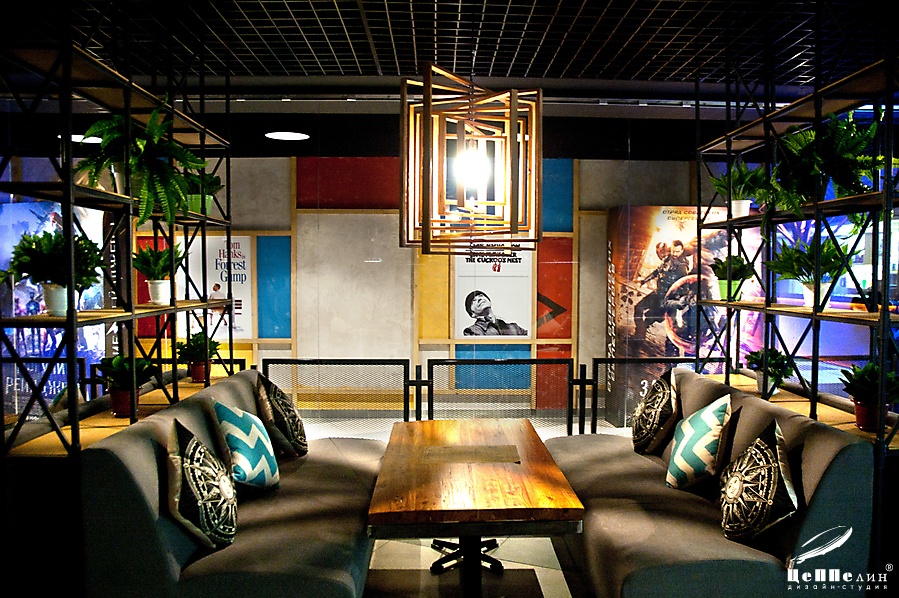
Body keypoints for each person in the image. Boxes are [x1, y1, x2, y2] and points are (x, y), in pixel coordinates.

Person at [463, 290, 527, 336]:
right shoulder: (472, 331)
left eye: (481, 296)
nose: (479, 299)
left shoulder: (515, 328)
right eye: (474, 301)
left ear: (489, 302)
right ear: (472, 314)